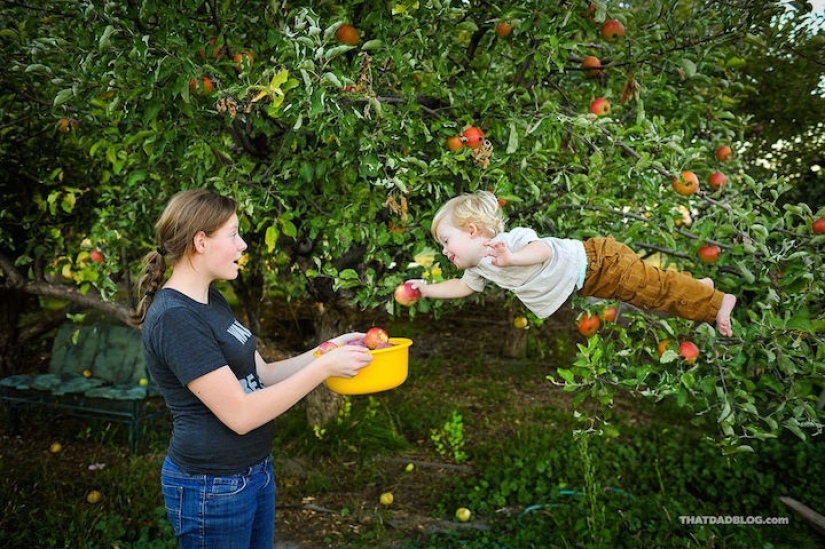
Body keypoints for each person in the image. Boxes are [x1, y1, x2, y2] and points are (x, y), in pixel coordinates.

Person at [131, 189, 373, 549]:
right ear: (200, 241)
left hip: (254, 471)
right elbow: (240, 415)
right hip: (213, 486)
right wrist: (324, 371)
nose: (243, 245)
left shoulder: (210, 298)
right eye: (233, 235)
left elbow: (263, 376)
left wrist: (327, 350)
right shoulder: (175, 318)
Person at [406, 191, 737, 337]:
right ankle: (698, 289)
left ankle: (720, 302)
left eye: (446, 241)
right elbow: (462, 287)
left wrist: (513, 259)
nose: (446, 251)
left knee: (653, 291)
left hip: (600, 262)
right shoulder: (478, 267)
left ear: (473, 230)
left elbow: (544, 251)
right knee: (653, 292)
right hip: (594, 280)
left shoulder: (508, 243)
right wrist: (426, 290)